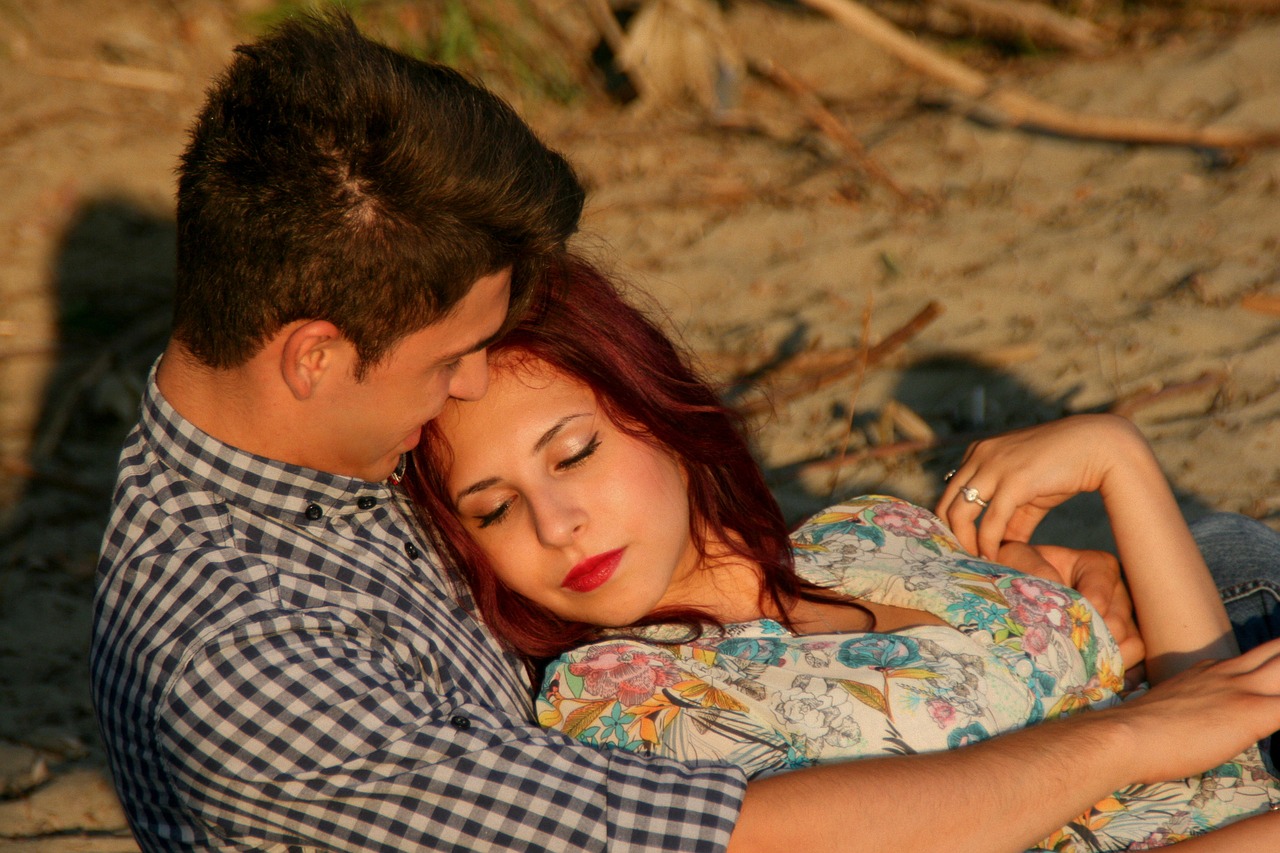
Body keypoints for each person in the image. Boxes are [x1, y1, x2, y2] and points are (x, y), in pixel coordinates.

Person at [89, 11, 1280, 853]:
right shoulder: (237, 654)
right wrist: (1134, 735)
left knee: (1222, 555)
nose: (463, 394)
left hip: (932, 658)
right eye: (449, 361)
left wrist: (996, 592)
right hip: (883, 784)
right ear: (313, 355)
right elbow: (689, 833)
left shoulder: (315, 446)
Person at [408, 253, 1280, 850]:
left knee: (1236, 552)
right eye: (494, 510)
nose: (556, 522)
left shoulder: (869, 532)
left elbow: (1208, 703)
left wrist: (1118, 459)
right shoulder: (616, 701)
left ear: (655, 410)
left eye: (574, 453)